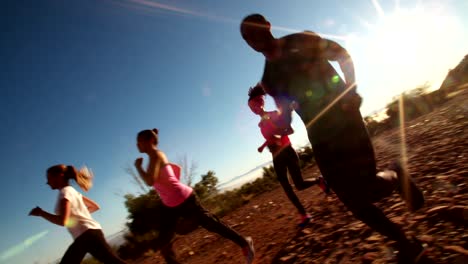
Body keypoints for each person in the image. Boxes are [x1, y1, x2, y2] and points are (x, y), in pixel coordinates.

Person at [240, 14, 426, 263]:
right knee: (351, 199)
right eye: (247, 37)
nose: (252, 39)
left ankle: (395, 173)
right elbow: (286, 119)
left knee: (369, 186)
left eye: (254, 31)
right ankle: (405, 243)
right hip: (320, 137)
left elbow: (342, 54)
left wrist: (351, 88)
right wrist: (272, 120)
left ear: (267, 26)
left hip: (346, 117)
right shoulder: (269, 79)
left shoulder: (302, 40)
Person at [134, 128, 255, 264]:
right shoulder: (155, 157)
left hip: (185, 199)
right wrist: (170, 187)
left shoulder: (156, 155)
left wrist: (138, 167)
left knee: (211, 224)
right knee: (164, 241)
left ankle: (245, 242)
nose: (137, 145)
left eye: (139, 142)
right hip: (169, 205)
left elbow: (150, 181)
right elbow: (176, 169)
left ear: (149, 140)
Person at [248, 84, 329, 227]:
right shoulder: (261, 123)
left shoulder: (274, 114)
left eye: (254, 105)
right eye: (250, 108)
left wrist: (277, 138)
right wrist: (263, 145)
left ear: (261, 102)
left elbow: (290, 130)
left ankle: (319, 181)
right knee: (286, 186)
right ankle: (304, 215)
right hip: (276, 156)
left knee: (299, 184)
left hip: (287, 152)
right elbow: (270, 137)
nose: (253, 110)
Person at [29, 165, 127, 264]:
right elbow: (94, 206)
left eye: (49, 178)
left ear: (59, 176)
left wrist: (41, 213)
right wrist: (78, 217)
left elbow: (63, 221)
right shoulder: (72, 191)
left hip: (87, 235)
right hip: (88, 234)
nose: (47, 182)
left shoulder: (65, 193)